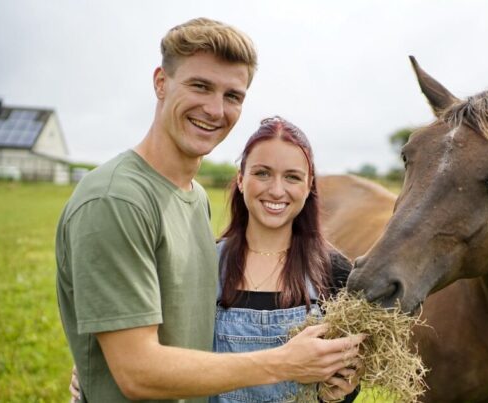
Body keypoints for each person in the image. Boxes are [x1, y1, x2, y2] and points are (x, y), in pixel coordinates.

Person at [56, 17, 363, 403]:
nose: (215, 110)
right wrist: (284, 363)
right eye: (200, 86)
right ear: (161, 82)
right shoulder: (115, 200)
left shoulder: (193, 197)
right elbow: (136, 372)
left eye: (232, 96)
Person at [212, 116, 361, 402]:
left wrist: (339, 392)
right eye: (262, 173)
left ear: (308, 185)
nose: (277, 190)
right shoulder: (207, 264)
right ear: (241, 179)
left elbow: (348, 380)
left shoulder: (335, 271)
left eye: (292, 177)